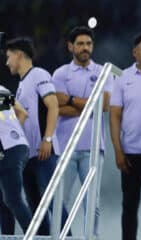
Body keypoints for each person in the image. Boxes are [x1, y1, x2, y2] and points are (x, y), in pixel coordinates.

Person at [52, 26, 112, 236]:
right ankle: (61, 236)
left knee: (92, 202)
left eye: (88, 44)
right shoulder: (60, 73)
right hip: (65, 146)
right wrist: (89, 104)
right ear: (70, 47)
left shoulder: (103, 72)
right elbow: (57, 107)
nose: (85, 48)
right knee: (60, 200)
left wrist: (70, 100)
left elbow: (104, 105)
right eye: (80, 44)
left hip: (94, 147)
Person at [6, 37, 67, 235]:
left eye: (8, 57)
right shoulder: (21, 86)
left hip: (44, 153)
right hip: (28, 156)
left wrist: (47, 139)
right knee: (36, 210)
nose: (7, 63)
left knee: (53, 205)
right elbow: (21, 118)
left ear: (19, 55)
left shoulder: (38, 74)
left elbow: (53, 105)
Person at [109, 31, 141, 240]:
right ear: (135, 53)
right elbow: (114, 117)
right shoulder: (122, 78)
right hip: (130, 152)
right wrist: (118, 151)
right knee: (129, 205)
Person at [0, 85, 32, 233]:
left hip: (7, 150)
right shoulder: (2, 89)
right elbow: (23, 113)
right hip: (19, 146)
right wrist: (13, 134)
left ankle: (33, 235)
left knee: (12, 199)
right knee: (5, 202)